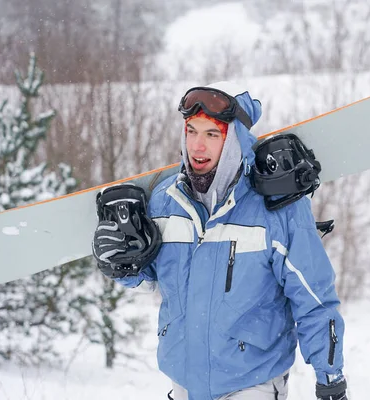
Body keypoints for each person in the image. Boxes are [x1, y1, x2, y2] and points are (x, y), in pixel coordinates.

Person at [92, 82, 347, 400]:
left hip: (252, 384)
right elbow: (153, 280)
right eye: (192, 131)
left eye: (212, 134)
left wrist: (330, 379)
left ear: (235, 140)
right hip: (183, 384)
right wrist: (123, 263)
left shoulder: (278, 210)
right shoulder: (164, 201)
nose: (198, 146)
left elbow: (314, 300)